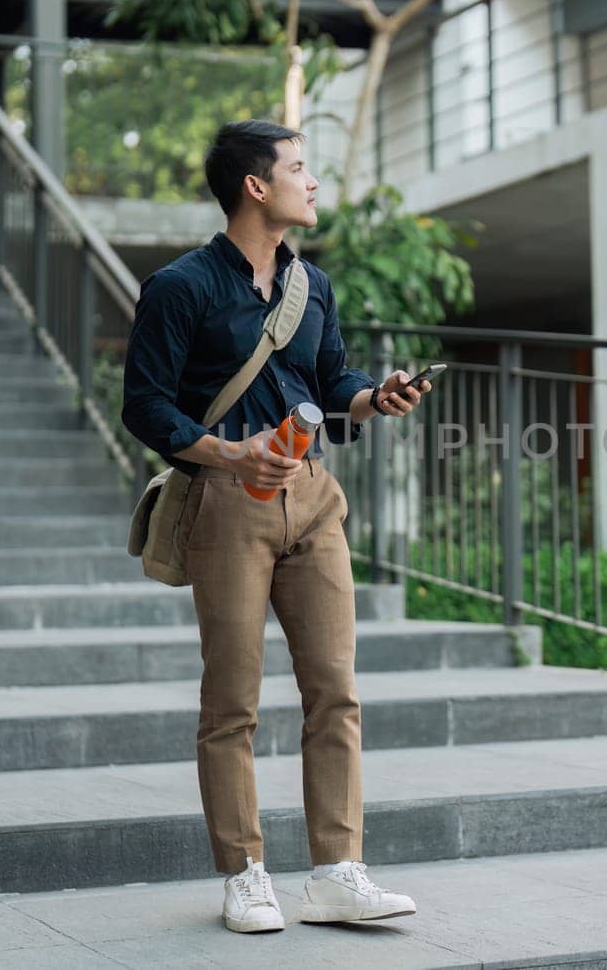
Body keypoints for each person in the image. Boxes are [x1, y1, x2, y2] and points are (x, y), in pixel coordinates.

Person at [121, 119, 433, 934]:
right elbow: (145, 404)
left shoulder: (310, 285)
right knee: (232, 700)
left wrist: (375, 395)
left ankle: (336, 871)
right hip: (228, 502)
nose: (313, 181)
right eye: (299, 167)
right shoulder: (181, 287)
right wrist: (231, 455)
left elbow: (331, 381)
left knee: (336, 689)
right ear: (255, 186)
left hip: (313, 498)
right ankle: (245, 872)